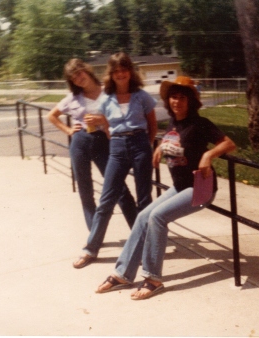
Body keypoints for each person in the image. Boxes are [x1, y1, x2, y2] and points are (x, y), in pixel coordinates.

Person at [94, 76, 236, 300]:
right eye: (173, 97)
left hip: (200, 188)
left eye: (181, 97)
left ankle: (153, 279)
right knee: (143, 216)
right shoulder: (174, 123)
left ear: (191, 101)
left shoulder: (200, 124)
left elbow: (229, 144)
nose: (176, 102)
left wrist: (208, 155)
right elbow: (175, 139)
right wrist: (160, 146)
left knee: (157, 217)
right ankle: (123, 274)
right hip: (180, 186)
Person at [72, 52, 157, 269]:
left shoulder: (142, 96)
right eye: (116, 71)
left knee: (144, 199)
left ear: (130, 71)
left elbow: (152, 124)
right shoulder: (107, 98)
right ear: (111, 73)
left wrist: (146, 147)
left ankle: (146, 246)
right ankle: (91, 248)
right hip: (117, 147)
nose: (120, 74)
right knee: (107, 199)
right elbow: (106, 125)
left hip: (140, 145)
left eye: (124, 69)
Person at [47, 58, 138, 252]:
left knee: (119, 189)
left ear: (86, 71)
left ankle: (139, 231)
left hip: (105, 142)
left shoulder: (108, 90)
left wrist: (103, 121)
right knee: (85, 191)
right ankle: (94, 235)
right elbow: (51, 115)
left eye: (79, 73)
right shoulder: (73, 97)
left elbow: (122, 115)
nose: (78, 79)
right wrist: (69, 130)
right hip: (80, 142)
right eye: (73, 77)